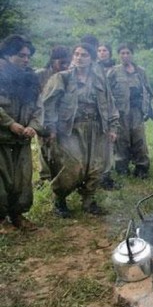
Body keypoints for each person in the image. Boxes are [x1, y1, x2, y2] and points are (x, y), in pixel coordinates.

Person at [43, 43, 119, 217]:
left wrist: (113, 126)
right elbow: (48, 104)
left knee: (96, 167)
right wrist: (50, 129)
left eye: (84, 55)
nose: (79, 57)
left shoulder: (100, 80)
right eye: (76, 54)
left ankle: (89, 200)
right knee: (73, 166)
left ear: (92, 58)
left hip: (97, 128)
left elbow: (110, 104)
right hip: (71, 130)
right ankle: (60, 199)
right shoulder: (62, 78)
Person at [0, 35, 42, 232]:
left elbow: (38, 107)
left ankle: (18, 215)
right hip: (2, 138)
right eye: (21, 55)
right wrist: (10, 124)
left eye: (28, 56)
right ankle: (1, 220)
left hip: (22, 139)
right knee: (2, 179)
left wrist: (33, 125)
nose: (26, 59)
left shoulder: (30, 78)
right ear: (8, 55)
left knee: (22, 180)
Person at [107, 43, 153, 178]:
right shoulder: (113, 72)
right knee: (121, 140)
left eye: (128, 53)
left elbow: (148, 90)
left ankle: (141, 168)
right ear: (119, 55)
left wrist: (149, 109)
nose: (125, 56)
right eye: (122, 53)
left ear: (132, 55)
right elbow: (107, 93)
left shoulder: (140, 71)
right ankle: (122, 168)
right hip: (121, 112)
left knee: (139, 139)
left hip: (137, 111)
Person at [35, 46, 71, 185]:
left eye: (67, 63)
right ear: (53, 61)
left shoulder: (66, 76)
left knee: (58, 148)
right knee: (44, 146)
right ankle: (45, 177)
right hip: (43, 116)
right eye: (61, 63)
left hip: (60, 118)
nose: (65, 66)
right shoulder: (41, 74)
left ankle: (58, 175)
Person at [96, 42, 120, 190]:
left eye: (105, 50)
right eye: (99, 50)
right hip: (98, 113)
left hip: (112, 109)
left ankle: (106, 176)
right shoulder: (94, 69)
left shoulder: (115, 69)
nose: (102, 53)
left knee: (108, 147)